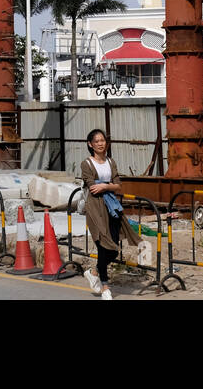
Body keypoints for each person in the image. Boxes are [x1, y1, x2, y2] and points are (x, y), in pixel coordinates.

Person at [79, 128, 139, 300]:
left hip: (111, 206)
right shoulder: (87, 164)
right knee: (103, 245)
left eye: (102, 140)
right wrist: (108, 185)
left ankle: (93, 272)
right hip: (95, 208)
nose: (100, 143)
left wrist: (105, 186)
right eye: (96, 141)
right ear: (90, 144)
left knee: (113, 249)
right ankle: (105, 287)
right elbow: (92, 186)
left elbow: (118, 184)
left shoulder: (111, 162)